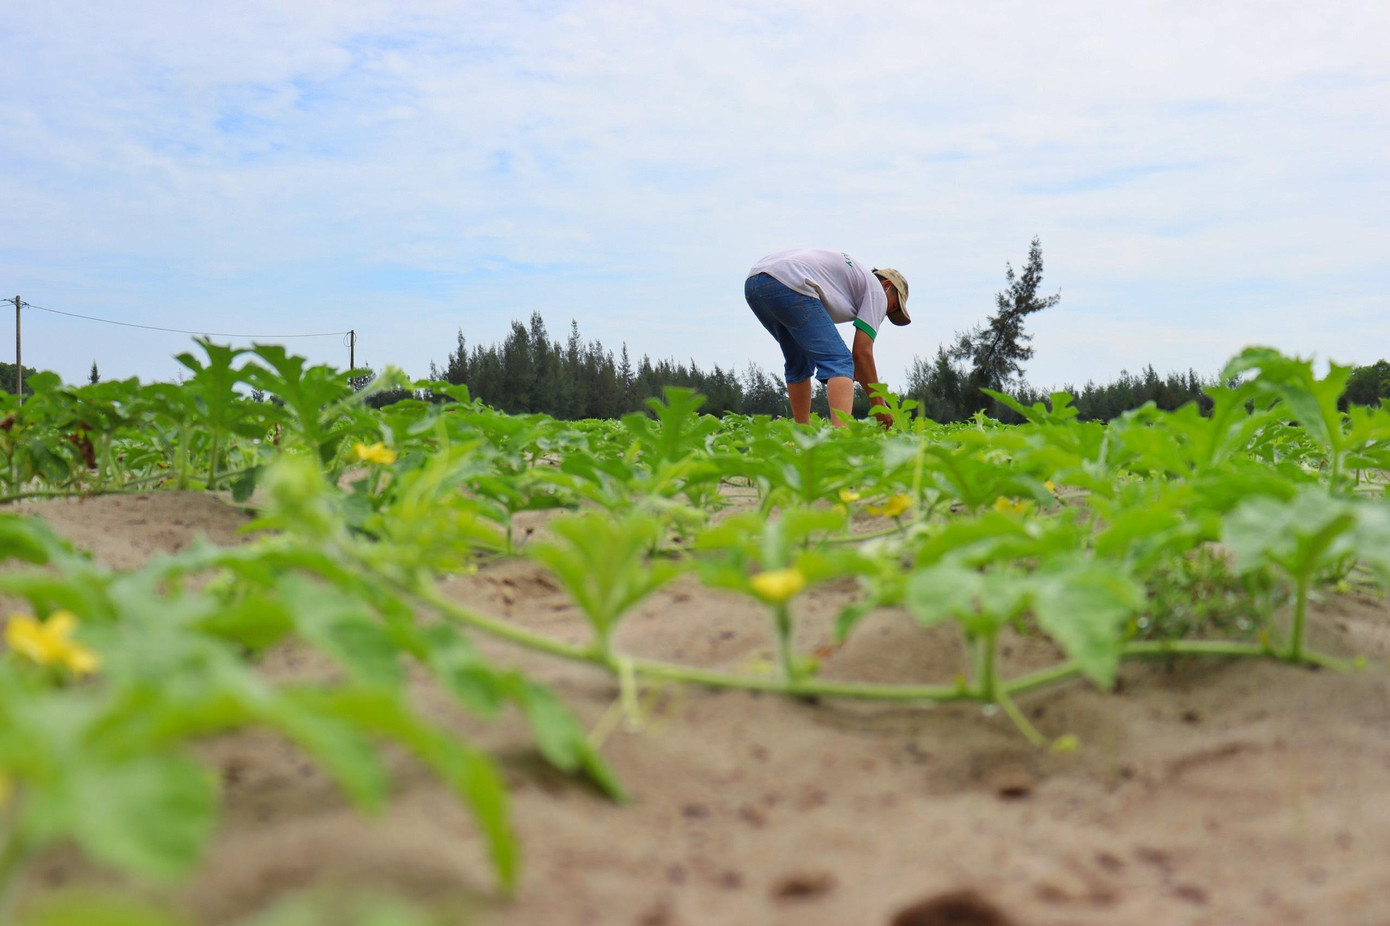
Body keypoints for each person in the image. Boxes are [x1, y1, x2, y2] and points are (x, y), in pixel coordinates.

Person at [745, 249, 911, 427]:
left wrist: (861, 373)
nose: (887, 313)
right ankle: (840, 440)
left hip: (756, 282)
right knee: (840, 361)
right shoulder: (877, 292)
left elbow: (861, 363)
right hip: (790, 282)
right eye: (894, 306)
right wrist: (879, 406)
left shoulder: (852, 279)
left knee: (799, 362)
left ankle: (802, 436)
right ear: (887, 285)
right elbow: (861, 354)